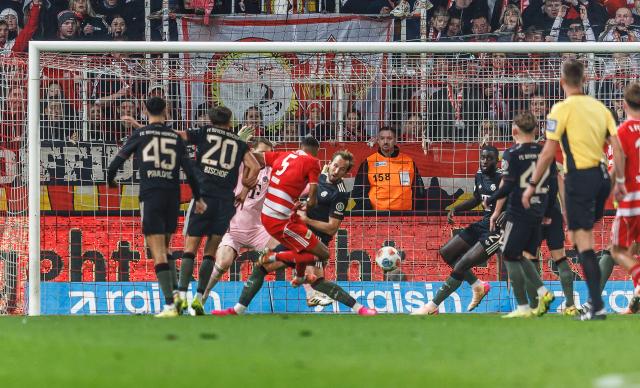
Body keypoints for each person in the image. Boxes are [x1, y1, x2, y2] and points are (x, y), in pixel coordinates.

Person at [211, 148, 377, 316]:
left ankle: (360, 309)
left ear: (347, 173)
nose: (336, 171)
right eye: (335, 165)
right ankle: (238, 309)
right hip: (295, 235)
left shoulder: (340, 193)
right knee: (261, 268)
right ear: (329, 164)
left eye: (342, 169)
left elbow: (332, 227)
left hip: (315, 241)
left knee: (317, 281)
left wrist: (306, 220)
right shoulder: (316, 178)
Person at [523, 59, 625, 321]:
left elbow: (547, 153)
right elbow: (618, 149)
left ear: (562, 82)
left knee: (583, 243)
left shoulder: (560, 110)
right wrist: (620, 182)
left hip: (580, 179)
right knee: (581, 238)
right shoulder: (599, 108)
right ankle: (595, 304)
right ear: (584, 79)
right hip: (603, 179)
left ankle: (596, 307)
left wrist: (532, 185)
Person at [106, 96, 206, 318]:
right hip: (173, 196)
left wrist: (111, 180)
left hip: (151, 195)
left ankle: (170, 305)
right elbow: (190, 171)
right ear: (166, 111)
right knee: (167, 248)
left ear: (143, 110)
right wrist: (198, 198)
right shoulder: (174, 137)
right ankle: (179, 297)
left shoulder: (140, 134)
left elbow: (117, 162)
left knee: (157, 251)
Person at [176, 106, 261, 315]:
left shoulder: (204, 132)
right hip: (224, 202)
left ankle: (180, 299)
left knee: (190, 249)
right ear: (230, 122)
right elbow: (255, 167)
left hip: (202, 198)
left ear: (210, 120)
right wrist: (245, 189)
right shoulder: (238, 143)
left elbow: (180, 136)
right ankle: (198, 299)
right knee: (210, 253)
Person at [411, 145, 501, 315]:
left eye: (489, 158)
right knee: (446, 252)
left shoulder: (503, 179)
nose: (484, 161)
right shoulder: (480, 176)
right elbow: (476, 198)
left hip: (498, 230)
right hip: (484, 223)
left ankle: (432, 306)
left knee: (461, 265)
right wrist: (456, 208)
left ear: (497, 161)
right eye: (482, 157)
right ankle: (477, 285)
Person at [486, 112, 555, 318]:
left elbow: (507, 185)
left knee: (508, 254)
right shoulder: (545, 151)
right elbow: (552, 186)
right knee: (524, 255)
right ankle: (542, 293)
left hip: (518, 211)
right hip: (539, 210)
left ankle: (524, 307)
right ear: (536, 130)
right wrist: (548, 211)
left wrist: (491, 199)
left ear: (515, 130)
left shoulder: (512, 154)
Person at [200, 137, 280, 302]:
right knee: (222, 264)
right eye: (262, 153)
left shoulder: (271, 172)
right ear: (252, 151)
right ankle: (202, 295)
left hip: (258, 230)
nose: (265, 157)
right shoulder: (240, 166)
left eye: (268, 154)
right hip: (233, 229)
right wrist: (237, 140)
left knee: (288, 248)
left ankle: (310, 290)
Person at [609, 83, 640, 312]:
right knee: (633, 251)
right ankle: (635, 301)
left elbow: (615, 170)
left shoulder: (621, 132)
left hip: (632, 203)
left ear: (624, 104)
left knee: (617, 250)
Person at [352, 127, 426, 211]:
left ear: (395, 140)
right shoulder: (368, 162)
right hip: (377, 215)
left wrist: (415, 212)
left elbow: (419, 191)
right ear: (378, 141)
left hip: (405, 215)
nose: (386, 142)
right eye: (382, 138)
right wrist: (369, 210)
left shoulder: (408, 161)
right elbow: (358, 191)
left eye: (389, 138)